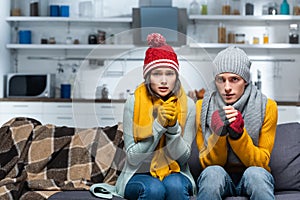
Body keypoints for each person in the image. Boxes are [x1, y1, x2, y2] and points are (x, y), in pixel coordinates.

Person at [115, 33, 196, 200]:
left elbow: (183, 158)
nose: (164, 80)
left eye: (170, 73)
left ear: (177, 77)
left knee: (175, 186)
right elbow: (132, 158)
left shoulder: (188, 105)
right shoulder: (133, 102)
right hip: (138, 172)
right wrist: (158, 126)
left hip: (175, 170)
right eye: (157, 74)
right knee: (154, 189)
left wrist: (173, 129)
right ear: (148, 77)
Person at [195, 46, 278, 200]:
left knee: (256, 175)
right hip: (219, 174)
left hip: (253, 173)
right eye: (221, 79)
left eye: (234, 79)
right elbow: (207, 163)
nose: (227, 87)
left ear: (245, 81)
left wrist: (238, 136)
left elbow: (261, 162)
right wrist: (219, 134)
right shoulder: (202, 107)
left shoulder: (267, 106)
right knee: (212, 173)